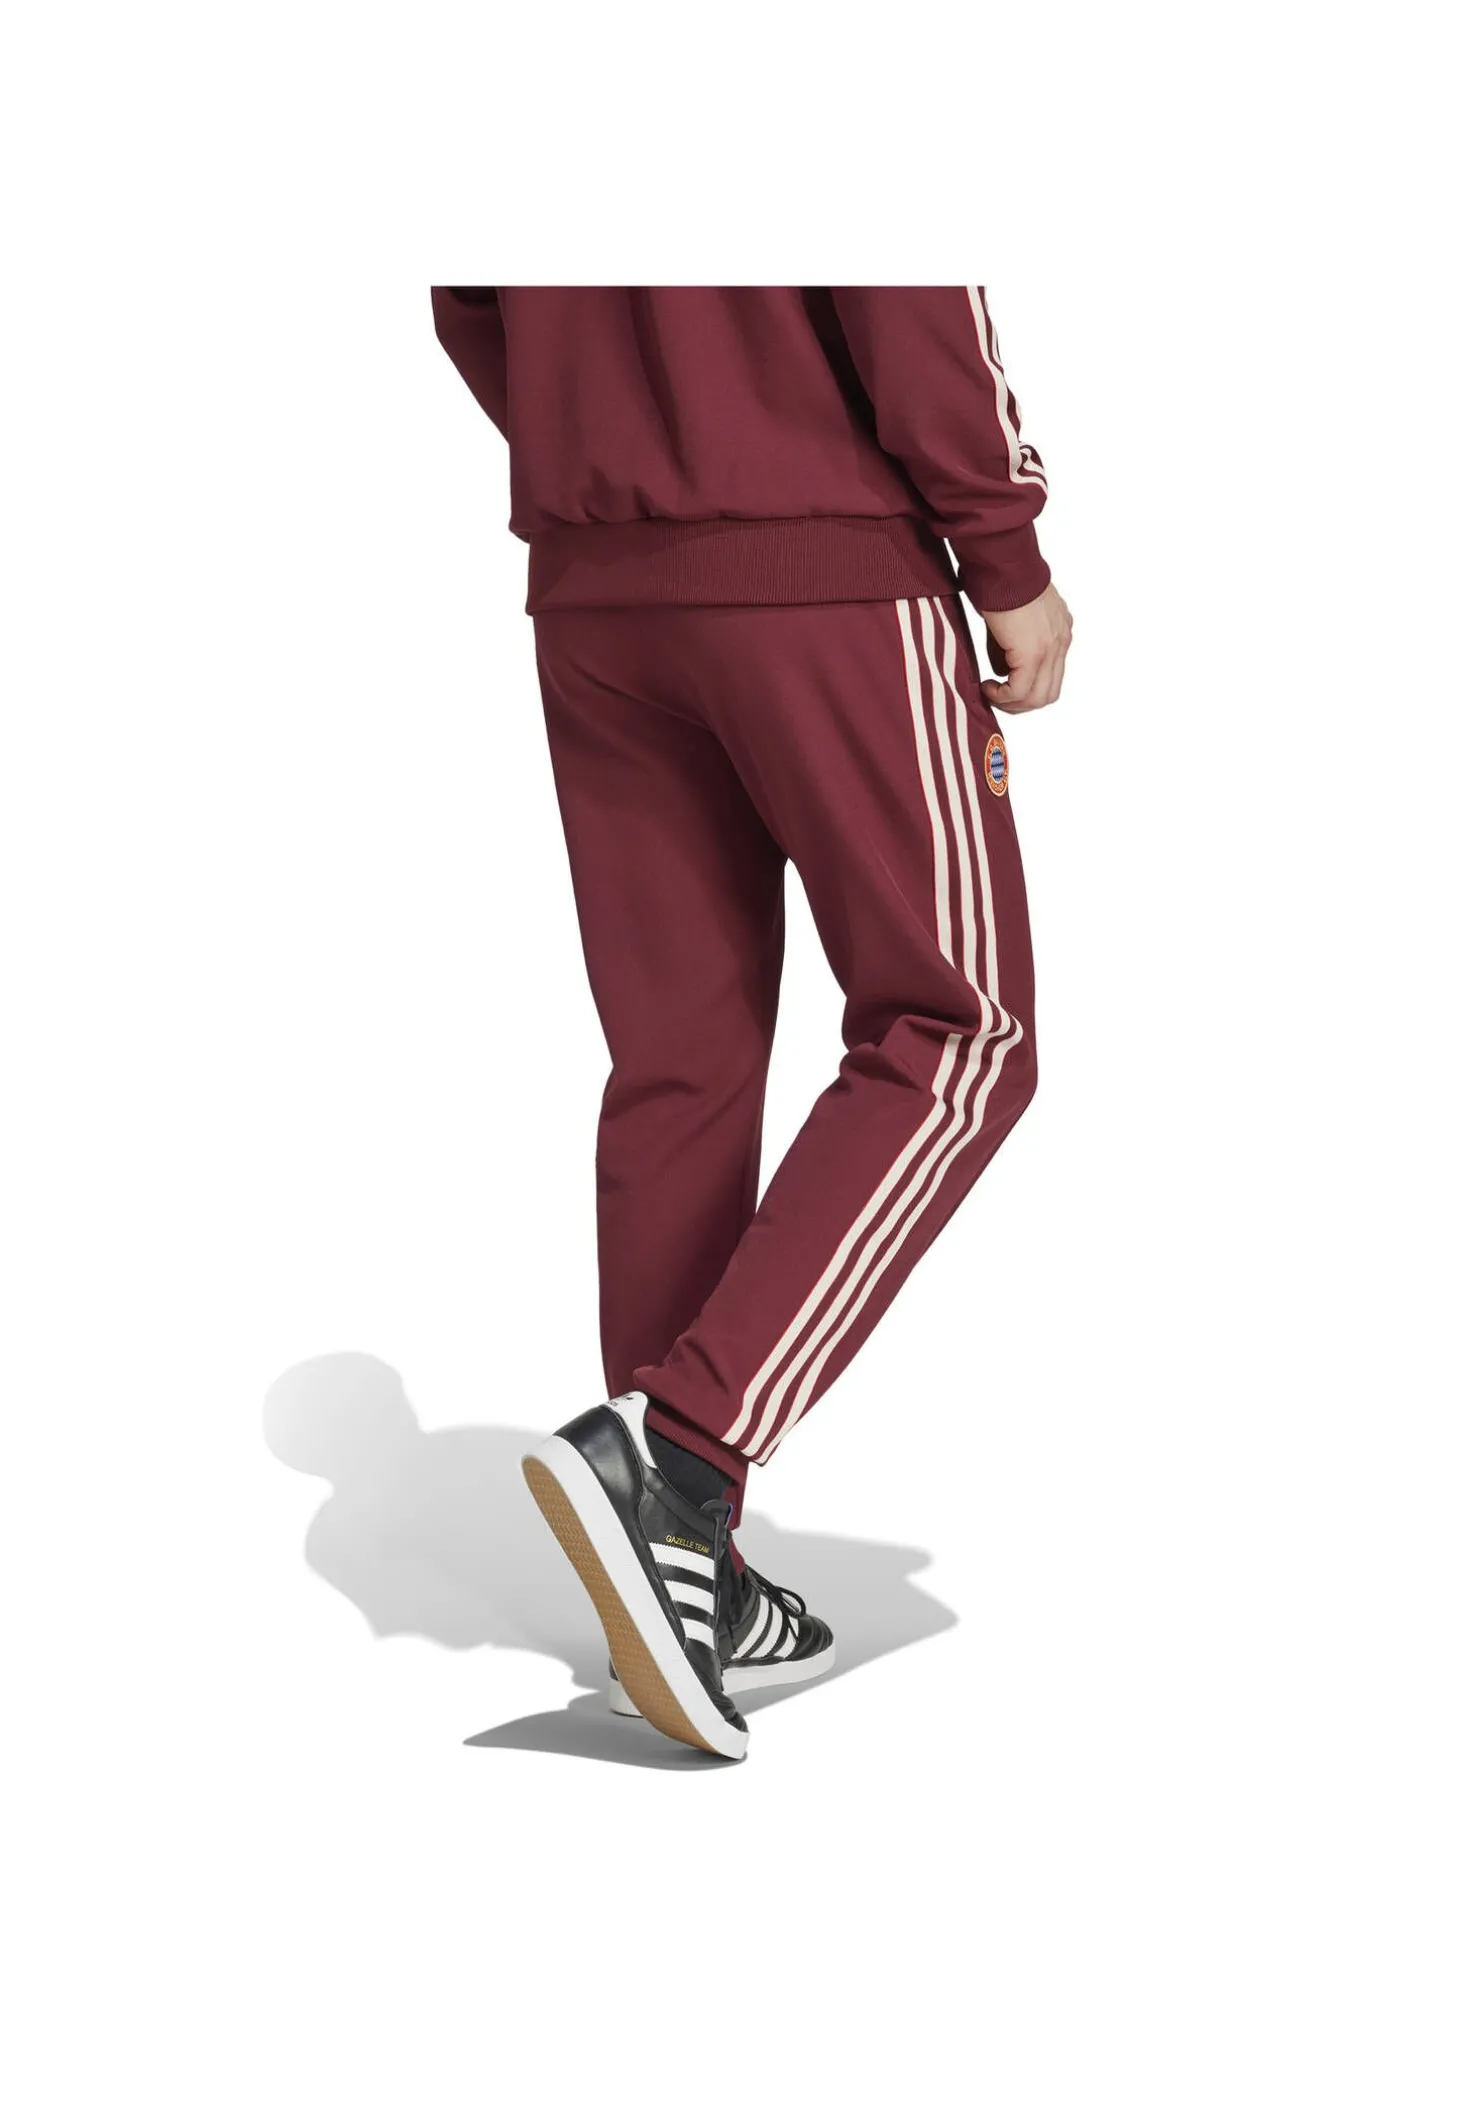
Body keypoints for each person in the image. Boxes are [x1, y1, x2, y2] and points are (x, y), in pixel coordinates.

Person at [433, 287, 1072, 1760]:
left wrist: (606, 452)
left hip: (596, 588)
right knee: (964, 1033)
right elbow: (907, 288)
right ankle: (684, 1461)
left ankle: (678, 1578)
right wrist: (1006, 551)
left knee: (681, 1061)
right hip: (822, 563)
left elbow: (466, 295)